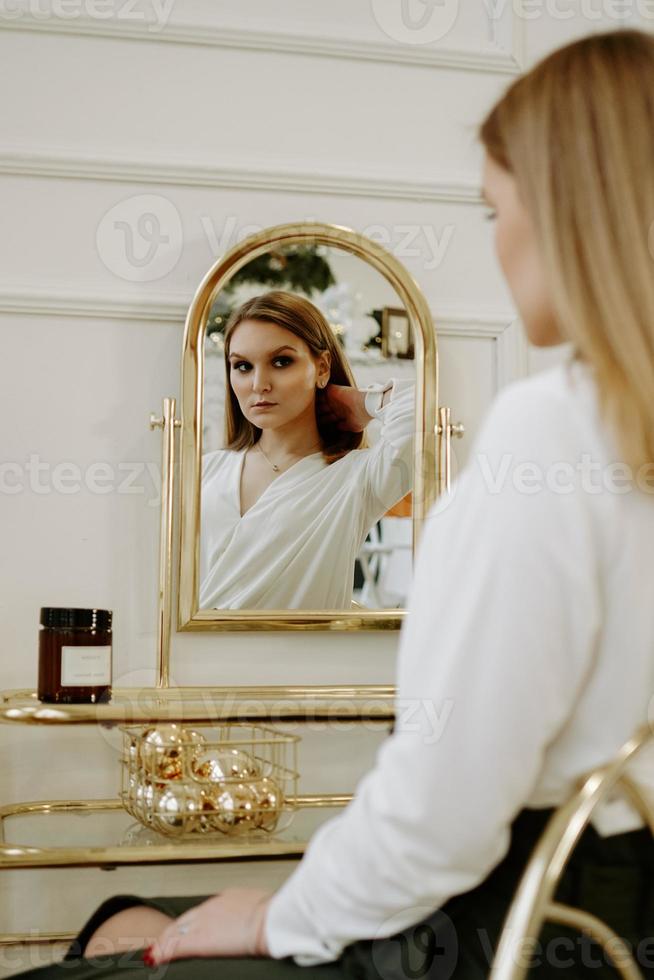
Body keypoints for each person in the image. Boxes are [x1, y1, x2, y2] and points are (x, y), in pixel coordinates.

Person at [18, 27, 654, 980]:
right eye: (239, 366)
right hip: (604, 921)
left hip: (504, 935)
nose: (501, 244)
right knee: (129, 912)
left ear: (570, 212)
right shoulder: (602, 434)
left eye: (496, 213)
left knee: (102, 951)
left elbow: (445, 811)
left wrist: (282, 916)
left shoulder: (551, 430)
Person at [199, 290, 414, 610]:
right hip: (202, 658)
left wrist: (360, 403)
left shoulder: (357, 477)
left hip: (309, 658)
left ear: (323, 367)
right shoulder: (206, 470)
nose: (259, 383)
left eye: (281, 361)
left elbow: (426, 411)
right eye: (242, 366)